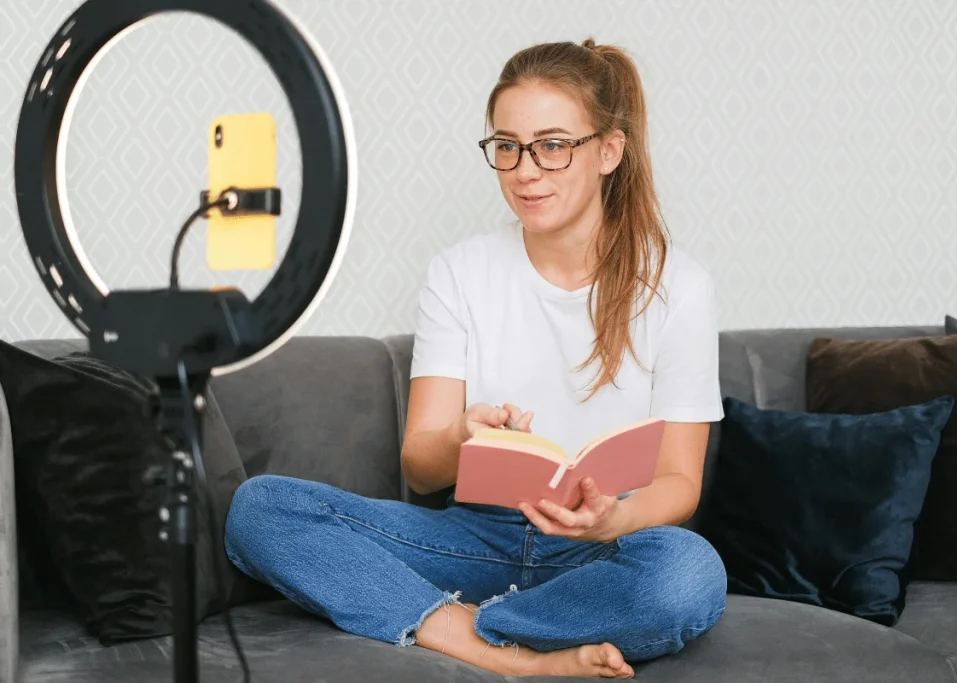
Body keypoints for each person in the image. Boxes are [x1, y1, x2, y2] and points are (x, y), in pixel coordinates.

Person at [224, 37, 727, 679]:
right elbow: (421, 466)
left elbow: (680, 485)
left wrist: (612, 519)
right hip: (474, 539)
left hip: (600, 550)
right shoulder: (458, 272)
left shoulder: (678, 286)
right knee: (262, 508)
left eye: (552, 145)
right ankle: (493, 646)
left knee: (690, 572)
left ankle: (470, 622)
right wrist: (464, 433)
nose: (524, 170)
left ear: (609, 150)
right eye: (508, 146)